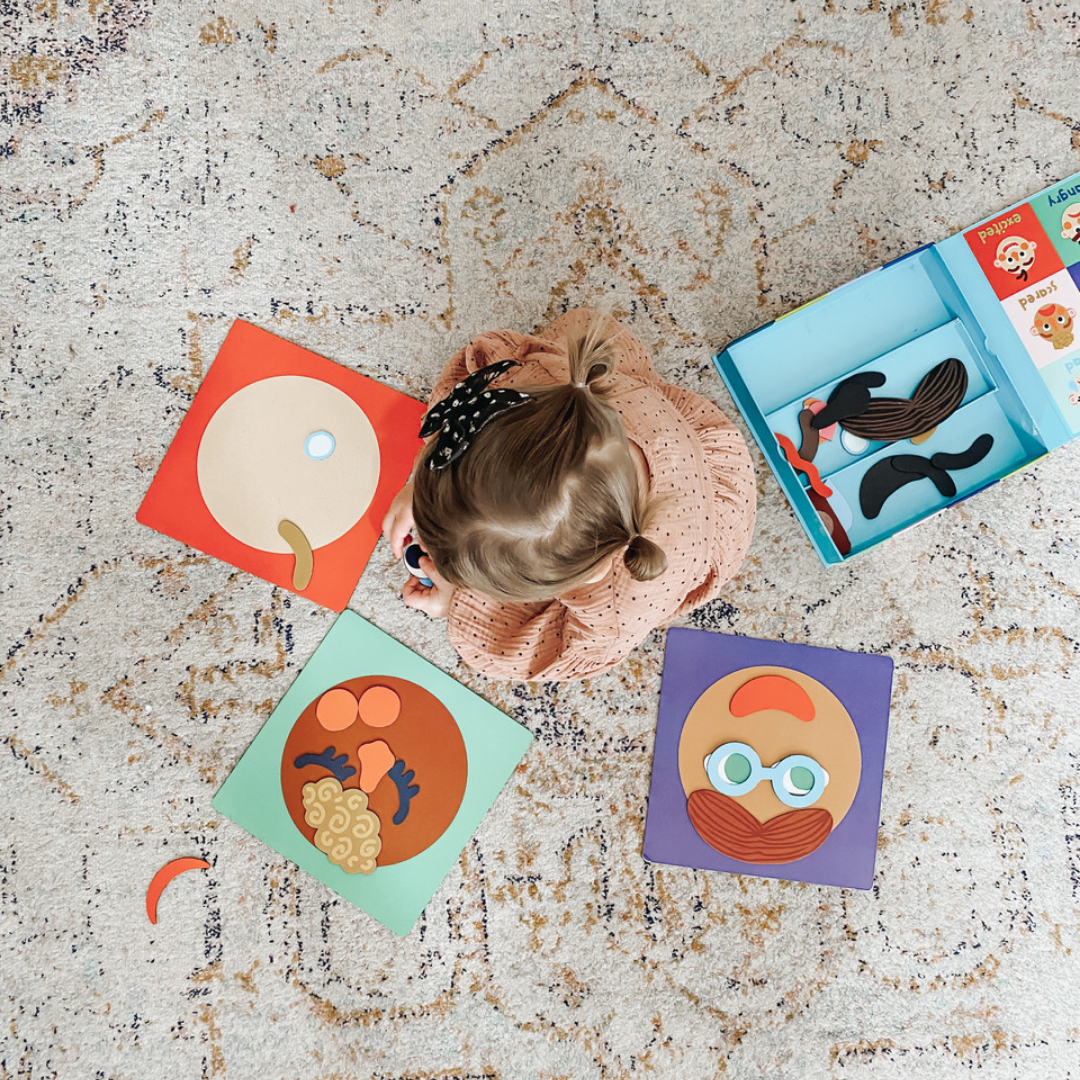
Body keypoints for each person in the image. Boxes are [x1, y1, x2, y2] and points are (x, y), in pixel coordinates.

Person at [381, 308, 755, 682]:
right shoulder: (548, 383)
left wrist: (454, 600)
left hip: (700, 513)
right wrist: (424, 477)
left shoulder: (620, 603)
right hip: (659, 422)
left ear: (592, 572)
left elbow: (562, 653)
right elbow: (477, 395)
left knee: (493, 645)